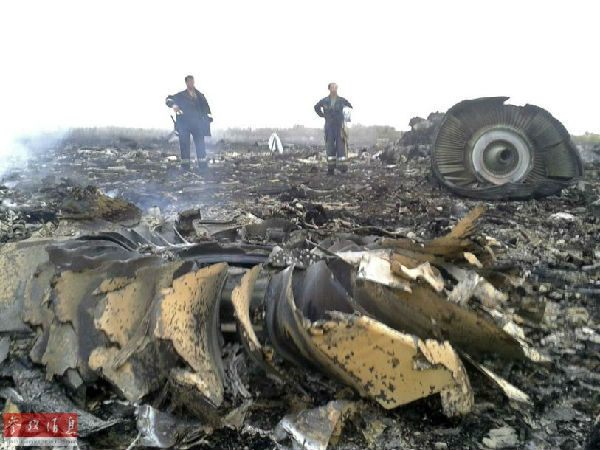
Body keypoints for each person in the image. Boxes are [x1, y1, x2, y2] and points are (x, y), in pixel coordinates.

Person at [165, 75, 213, 170]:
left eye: (192, 81)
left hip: (197, 124)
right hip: (184, 124)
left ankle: (203, 166)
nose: (191, 83)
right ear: (186, 83)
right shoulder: (181, 95)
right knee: (184, 145)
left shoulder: (200, 96)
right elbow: (168, 99)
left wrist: (208, 118)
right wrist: (173, 105)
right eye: (189, 81)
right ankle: (185, 167)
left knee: (200, 145)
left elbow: (206, 108)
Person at [314, 83, 353, 175]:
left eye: (336, 87)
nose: (334, 89)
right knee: (330, 147)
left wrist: (346, 114)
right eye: (332, 87)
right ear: (329, 89)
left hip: (340, 127)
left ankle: (343, 168)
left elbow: (350, 107)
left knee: (341, 147)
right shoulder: (324, 101)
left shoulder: (342, 100)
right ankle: (330, 169)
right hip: (329, 126)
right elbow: (316, 107)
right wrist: (322, 115)